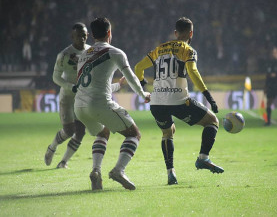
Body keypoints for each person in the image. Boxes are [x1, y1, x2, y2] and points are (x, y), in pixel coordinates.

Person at [135, 17, 224, 185]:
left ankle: (171, 173)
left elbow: (138, 67)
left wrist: (142, 84)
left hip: (157, 102)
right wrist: (208, 97)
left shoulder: (158, 49)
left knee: (168, 133)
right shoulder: (188, 50)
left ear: (175, 33)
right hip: (179, 100)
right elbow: (193, 72)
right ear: (191, 33)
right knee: (212, 122)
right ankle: (203, 158)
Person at [74, 17, 151, 191]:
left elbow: (91, 85)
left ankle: (96, 170)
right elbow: (131, 76)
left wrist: (118, 85)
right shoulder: (114, 52)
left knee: (103, 132)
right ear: (109, 33)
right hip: (99, 104)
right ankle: (119, 170)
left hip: (79, 107)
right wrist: (143, 93)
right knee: (133, 134)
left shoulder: (83, 55)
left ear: (92, 35)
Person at [44, 22, 90, 168]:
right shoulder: (64, 55)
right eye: (78, 36)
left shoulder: (91, 52)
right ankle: (52, 147)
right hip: (67, 98)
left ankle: (63, 162)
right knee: (69, 131)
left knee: (81, 131)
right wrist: (70, 87)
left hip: (82, 98)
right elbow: (56, 77)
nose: (82, 39)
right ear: (72, 37)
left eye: (84, 35)